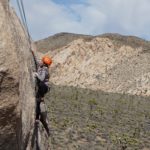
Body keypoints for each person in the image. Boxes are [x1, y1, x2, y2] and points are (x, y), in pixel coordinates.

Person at [34, 55, 52, 136]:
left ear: (44, 63)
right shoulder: (42, 67)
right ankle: (37, 117)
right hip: (43, 87)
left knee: (38, 99)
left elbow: (41, 79)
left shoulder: (45, 69)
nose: (40, 62)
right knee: (38, 101)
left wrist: (35, 74)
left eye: (42, 61)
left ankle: (37, 117)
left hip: (44, 87)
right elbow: (37, 62)